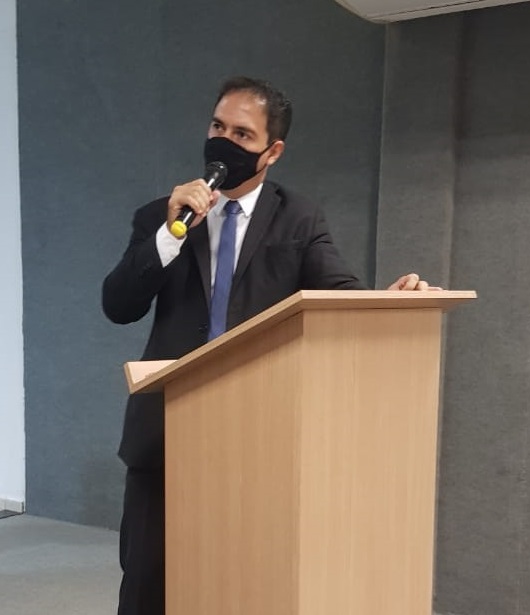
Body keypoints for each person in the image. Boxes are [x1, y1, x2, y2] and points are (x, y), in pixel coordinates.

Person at [102, 76, 437, 615]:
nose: (224, 143)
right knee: (147, 584)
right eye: (217, 127)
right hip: (166, 430)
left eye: (242, 134)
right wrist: (169, 233)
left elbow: (338, 295)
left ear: (272, 151)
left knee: (244, 582)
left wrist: (390, 300)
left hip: (257, 434)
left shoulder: (298, 218)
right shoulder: (161, 215)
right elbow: (118, 305)